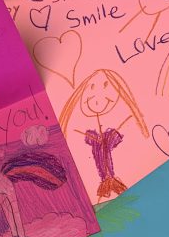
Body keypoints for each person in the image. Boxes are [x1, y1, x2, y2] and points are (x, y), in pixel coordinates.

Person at [58, 69, 148, 200]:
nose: (97, 94)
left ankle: (110, 183)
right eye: (92, 87)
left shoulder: (122, 124)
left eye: (105, 85)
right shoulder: (84, 132)